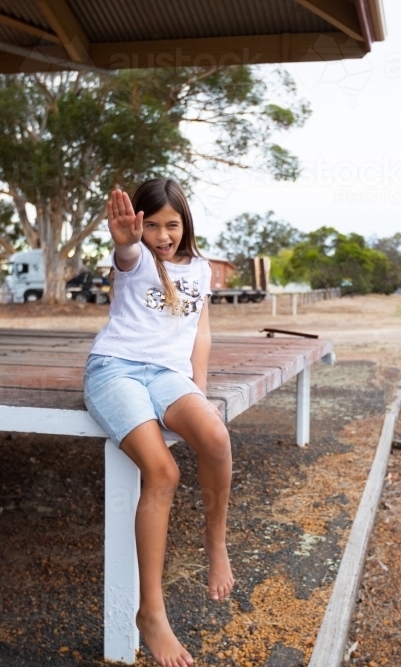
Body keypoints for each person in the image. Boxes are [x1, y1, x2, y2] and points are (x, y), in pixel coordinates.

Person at [84, 178, 233, 667]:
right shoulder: (137, 258)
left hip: (170, 376)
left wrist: (200, 392)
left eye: (172, 224)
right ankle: (151, 613)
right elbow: (127, 252)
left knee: (214, 435)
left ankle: (216, 543)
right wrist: (126, 238)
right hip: (116, 371)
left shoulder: (201, 269)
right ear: (140, 225)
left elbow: (201, 334)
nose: (163, 235)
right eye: (153, 225)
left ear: (185, 223)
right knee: (164, 472)